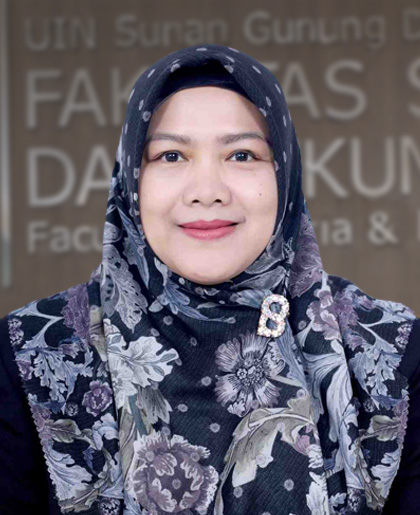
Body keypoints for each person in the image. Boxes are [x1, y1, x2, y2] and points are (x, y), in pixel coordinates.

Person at [0, 43, 419, 515]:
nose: (206, 192)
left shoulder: (390, 351)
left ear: (284, 174)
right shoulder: (32, 354)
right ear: (131, 180)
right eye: (170, 156)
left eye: (241, 154)